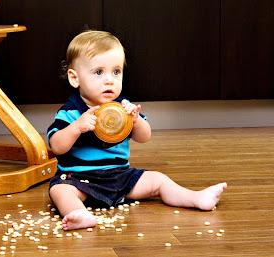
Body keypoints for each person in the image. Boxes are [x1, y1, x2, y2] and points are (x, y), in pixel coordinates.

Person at [47, 30, 227, 231]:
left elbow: (144, 137)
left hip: (119, 177)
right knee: (60, 190)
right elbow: (56, 146)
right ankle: (79, 213)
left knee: (157, 180)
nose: (109, 80)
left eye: (116, 72)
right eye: (99, 72)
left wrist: (136, 121)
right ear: (75, 78)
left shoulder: (123, 109)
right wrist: (76, 128)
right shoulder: (70, 113)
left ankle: (195, 198)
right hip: (79, 180)